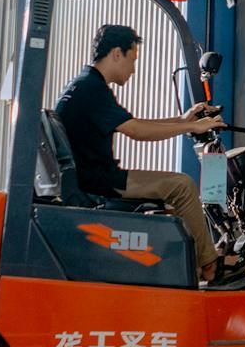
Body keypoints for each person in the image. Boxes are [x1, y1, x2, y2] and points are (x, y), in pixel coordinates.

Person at [54, 24, 224, 281]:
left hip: (93, 177)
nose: (133, 70)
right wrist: (192, 126)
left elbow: (135, 122)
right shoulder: (92, 89)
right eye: (132, 60)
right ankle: (210, 265)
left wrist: (182, 119)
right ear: (116, 54)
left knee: (176, 190)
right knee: (182, 186)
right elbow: (137, 131)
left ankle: (189, 263)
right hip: (99, 182)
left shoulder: (85, 84)